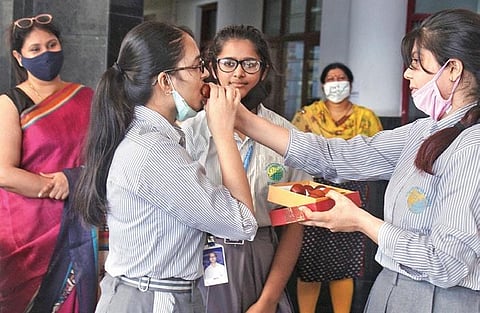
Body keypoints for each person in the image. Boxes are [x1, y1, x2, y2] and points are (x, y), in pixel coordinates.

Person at [214, 8, 480, 313]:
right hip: (393, 287)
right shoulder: (424, 130)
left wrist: (361, 222)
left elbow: (446, 263)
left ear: (453, 69)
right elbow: (335, 155)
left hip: (439, 299)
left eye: (417, 64)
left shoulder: (473, 147)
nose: (407, 73)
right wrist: (242, 120)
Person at [71, 21, 258, 313]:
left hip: (154, 293)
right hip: (153, 299)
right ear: (165, 81)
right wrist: (223, 133)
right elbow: (242, 223)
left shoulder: (152, 136)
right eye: (196, 67)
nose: (206, 75)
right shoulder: (153, 151)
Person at [181, 24, 311, 313]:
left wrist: (269, 299)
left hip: (263, 257)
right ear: (213, 68)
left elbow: (293, 227)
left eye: (250, 64)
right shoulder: (189, 134)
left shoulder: (286, 137)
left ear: (263, 71)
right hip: (198, 254)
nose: (238, 73)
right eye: (228, 63)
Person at [0, 13, 97, 313]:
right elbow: (3, 172)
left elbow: (104, 156)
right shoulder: (11, 102)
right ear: (19, 57)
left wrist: (74, 179)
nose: (46, 54)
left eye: (52, 45)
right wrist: (55, 184)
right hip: (27, 230)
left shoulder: (87, 97)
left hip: (81, 220)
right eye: (35, 49)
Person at [291, 62, 382, 313]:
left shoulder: (366, 117)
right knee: (309, 260)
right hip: (313, 191)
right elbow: (292, 150)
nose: (336, 82)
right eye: (331, 78)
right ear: (322, 85)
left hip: (351, 192)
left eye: (341, 78)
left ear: (350, 84)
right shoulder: (307, 115)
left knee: (345, 261)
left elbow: (377, 154)